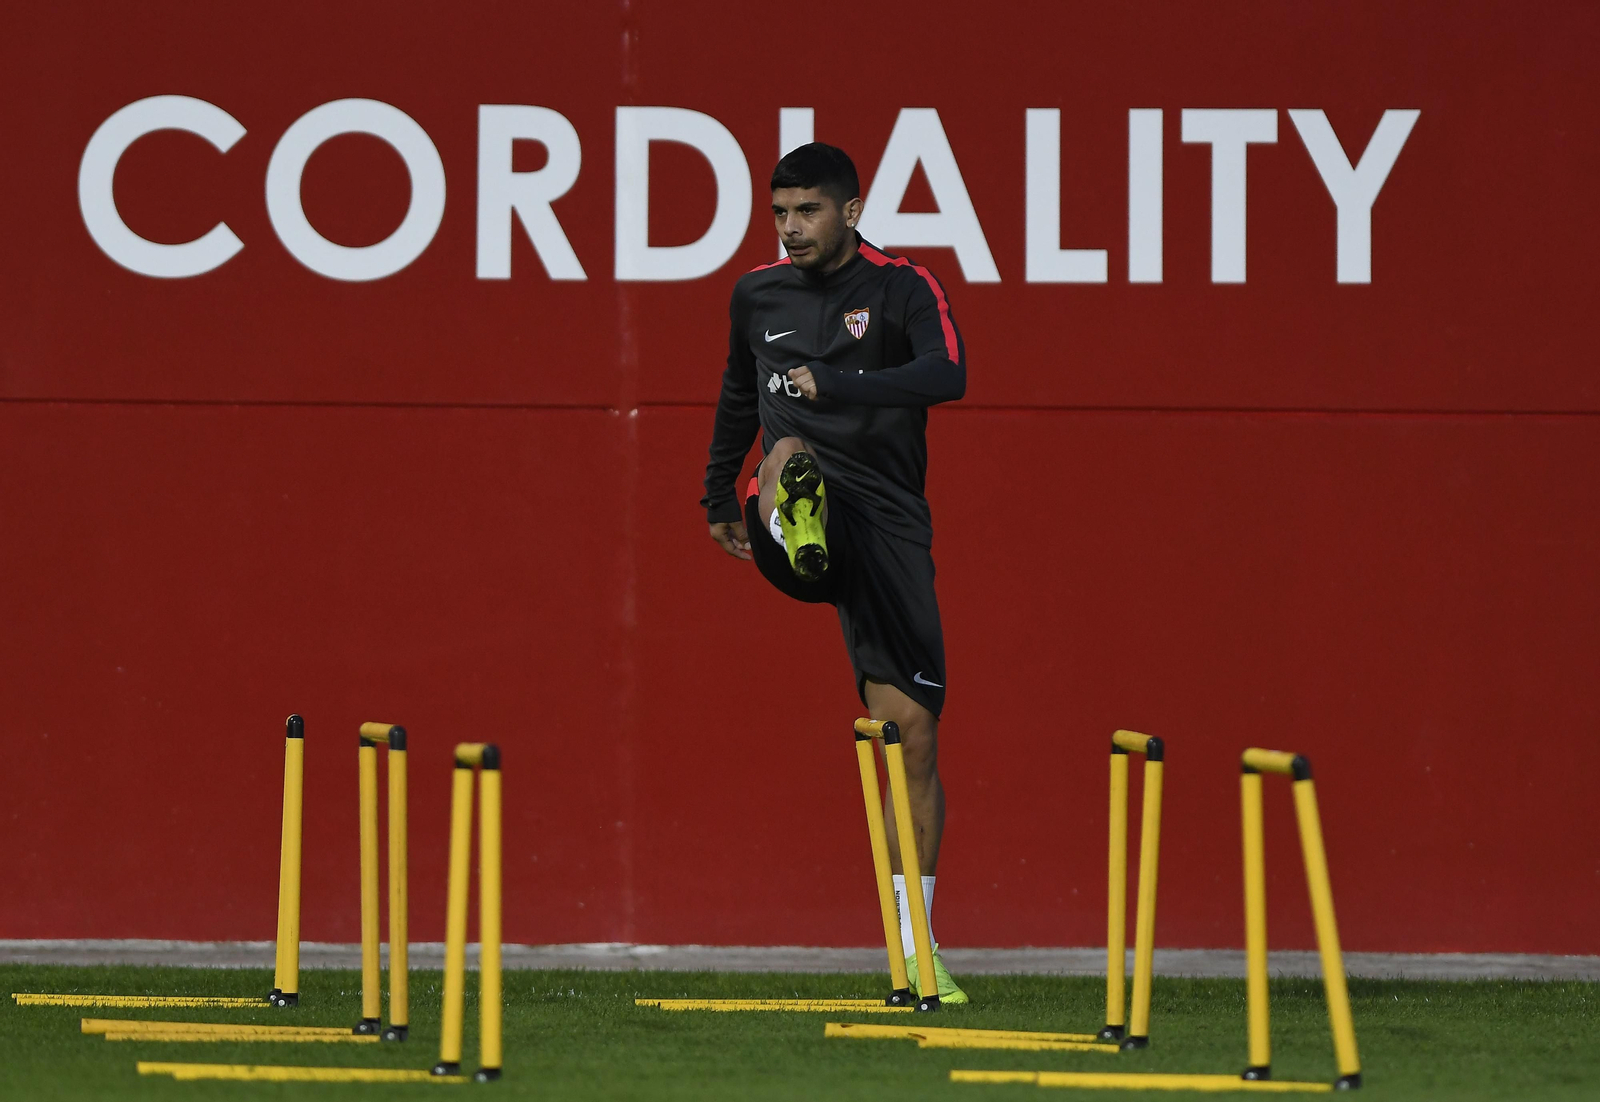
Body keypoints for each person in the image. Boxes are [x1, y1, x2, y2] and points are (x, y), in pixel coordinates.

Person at [700, 142, 967, 1004]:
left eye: (807, 211)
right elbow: (741, 393)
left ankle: (915, 949)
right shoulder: (757, 294)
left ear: (850, 211)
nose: (790, 228)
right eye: (780, 212)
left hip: (887, 522)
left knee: (911, 742)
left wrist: (839, 383)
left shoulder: (903, 288)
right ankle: (794, 516)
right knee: (786, 450)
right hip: (794, 507)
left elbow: (949, 374)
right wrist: (713, 495)